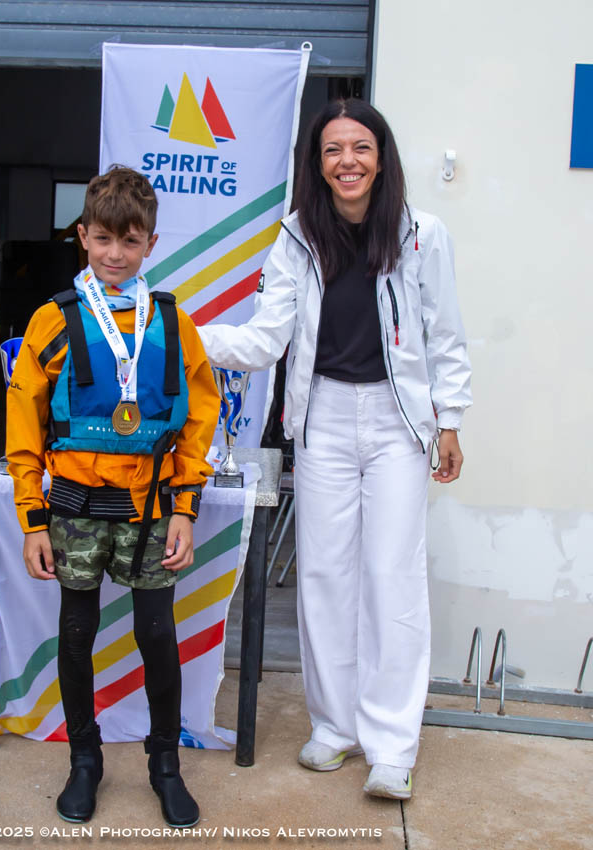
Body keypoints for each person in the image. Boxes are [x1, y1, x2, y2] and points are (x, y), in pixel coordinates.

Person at [198, 99, 472, 800]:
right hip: (321, 418)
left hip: (397, 423)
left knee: (391, 576)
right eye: (332, 150)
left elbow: (444, 336)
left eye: (359, 147)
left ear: (380, 157)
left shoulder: (421, 234)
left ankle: (391, 746)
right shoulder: (296, 237)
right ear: (317, 165)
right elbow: (265, 340)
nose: (346, 161)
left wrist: (449, 420)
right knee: (324, 575)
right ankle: (334, 726)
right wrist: (179, 333)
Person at [6, 167, 219, 826]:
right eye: (102, 239)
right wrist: (32, 520)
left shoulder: (173, 322)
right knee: (77, 633)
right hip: (73, 508)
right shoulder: (52, 321)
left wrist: (184, 508)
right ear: (82, 236)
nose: (115, 254)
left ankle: (165, 765)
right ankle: (84, 761)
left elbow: (198, 419)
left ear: (150, 243)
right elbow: (23, 424)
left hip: (151, 510)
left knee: (157, 634)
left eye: (129, 241)